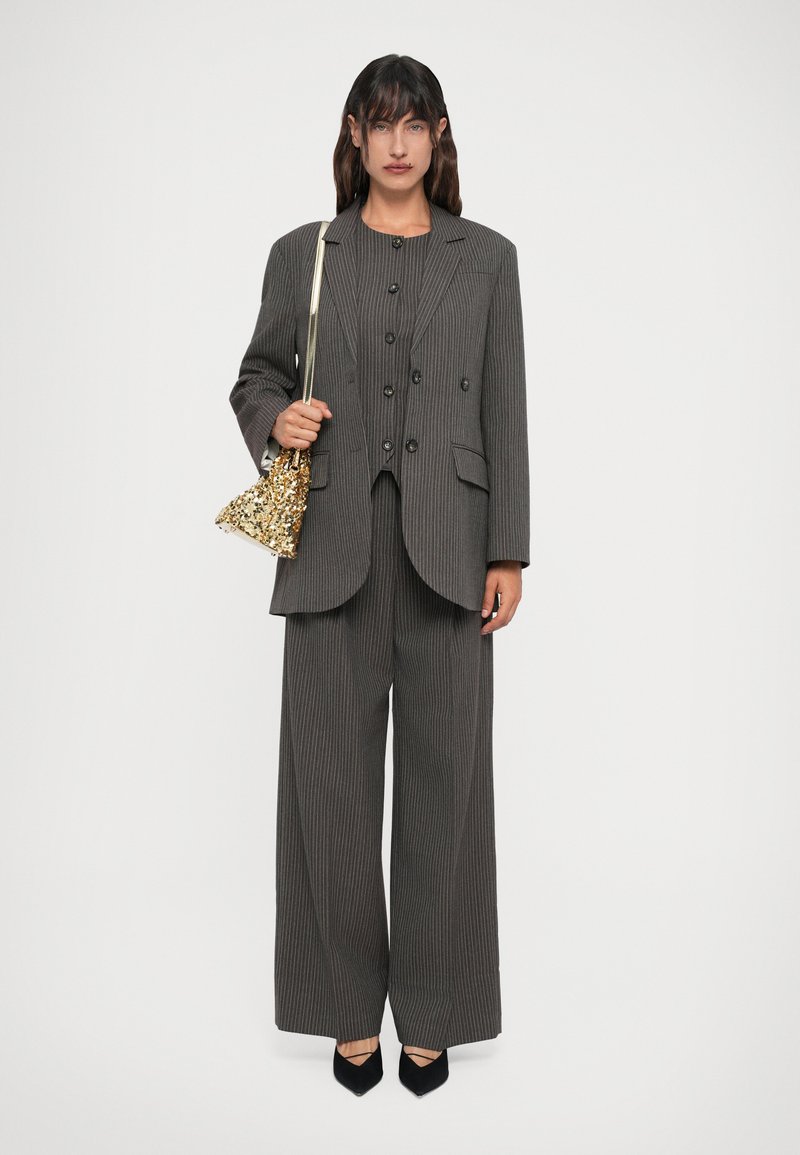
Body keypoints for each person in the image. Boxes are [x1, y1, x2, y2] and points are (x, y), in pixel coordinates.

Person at [229, 53, 530, 1098]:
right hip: (329, 551)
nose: (397, 144)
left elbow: (505, 408)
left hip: (451, 553)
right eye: (379, 123)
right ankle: (345, 1011)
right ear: (353, 134)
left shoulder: (487, 261)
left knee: (449, 798)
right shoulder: (302, 253)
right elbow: (256, 376)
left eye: (415, 124)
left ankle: (433, 1014)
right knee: (329, 796)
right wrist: (278, 419)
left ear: (437, 136)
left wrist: (507, 549)